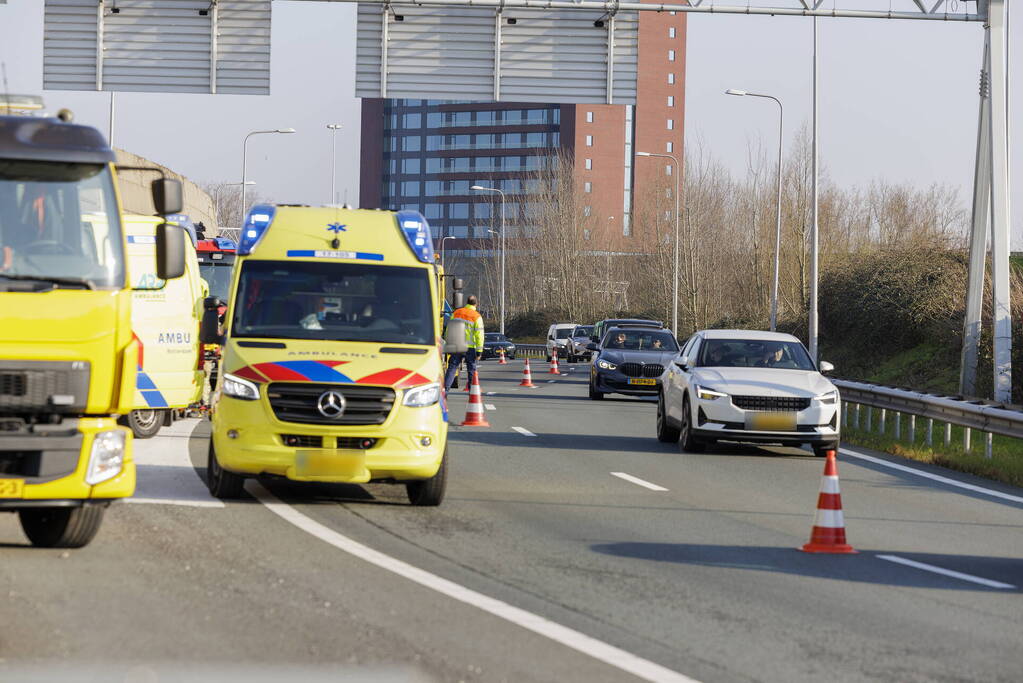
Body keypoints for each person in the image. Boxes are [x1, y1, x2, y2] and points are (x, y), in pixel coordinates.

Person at [444, 294, 485, 391]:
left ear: (466, 302)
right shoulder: (476, 316)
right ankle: (472, 391)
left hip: (457, 345)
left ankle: (445, 391)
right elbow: (479, 335)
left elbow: (449, 329)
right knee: (471, 370)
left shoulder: (457, 312)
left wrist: (448, 343)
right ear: (476, 304)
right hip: (469, 347)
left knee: (452, 368)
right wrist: (479, 351)